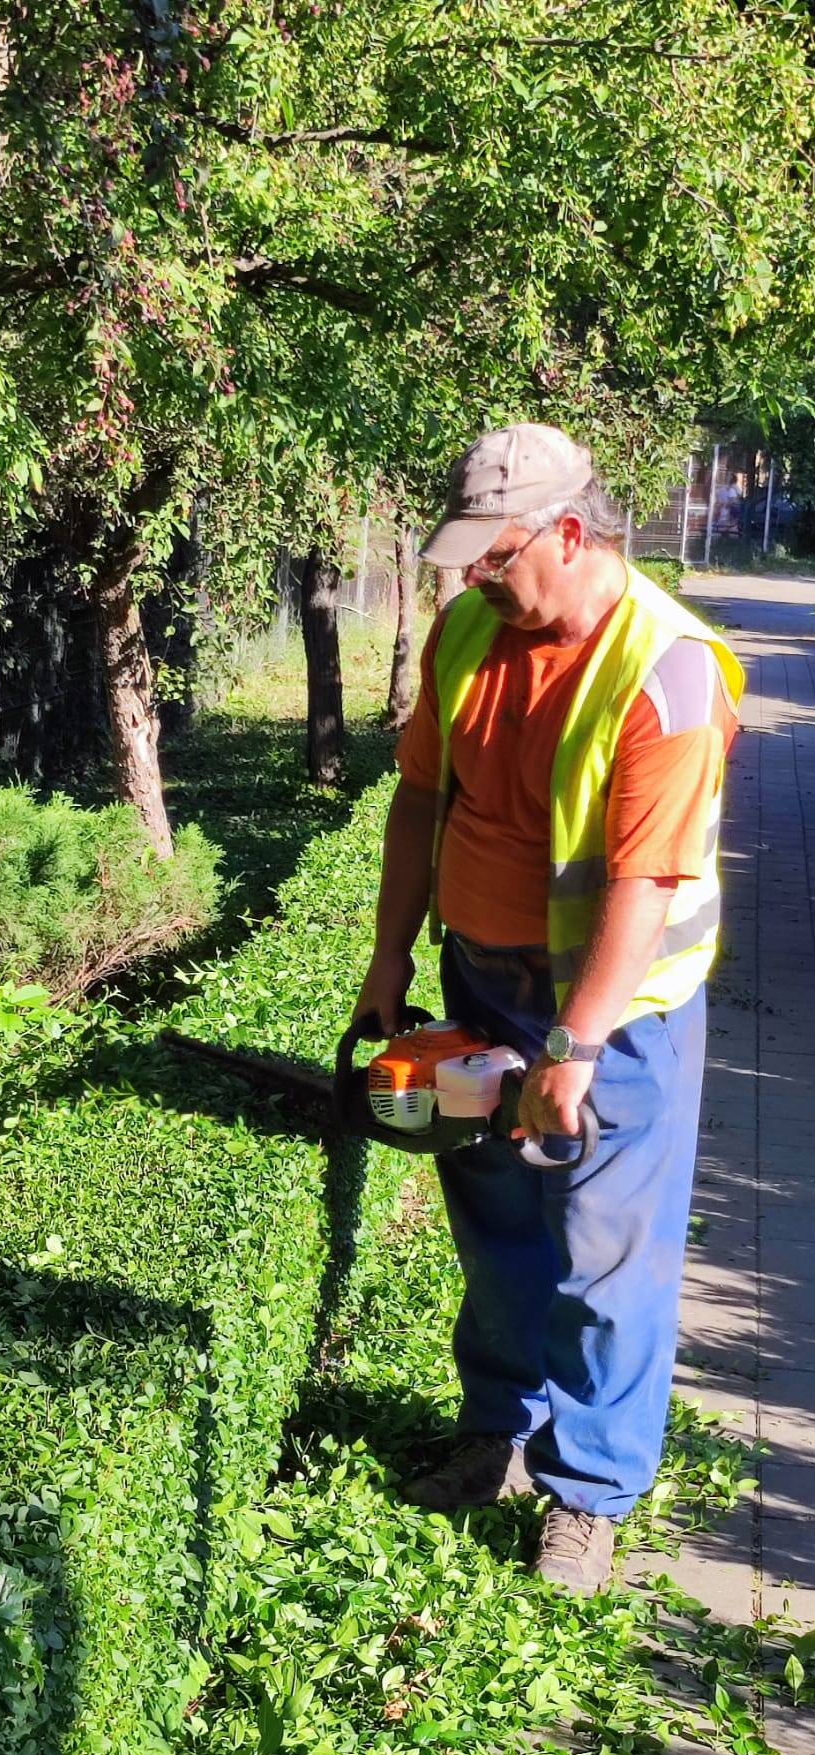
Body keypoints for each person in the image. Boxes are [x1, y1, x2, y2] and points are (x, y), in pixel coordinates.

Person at [355, 424, 743, 1596]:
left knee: (606, 1256)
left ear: (570, 533)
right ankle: (500, 1434)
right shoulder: (470, 630)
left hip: (614, 1014)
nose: (475, 576)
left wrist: (575, 1041)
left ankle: (590, 1494)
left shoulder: (667, 669)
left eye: (496, 554)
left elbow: (644, 881)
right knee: (497, 1224)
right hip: (481, 982)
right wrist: (388, 957)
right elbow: (419, 796)